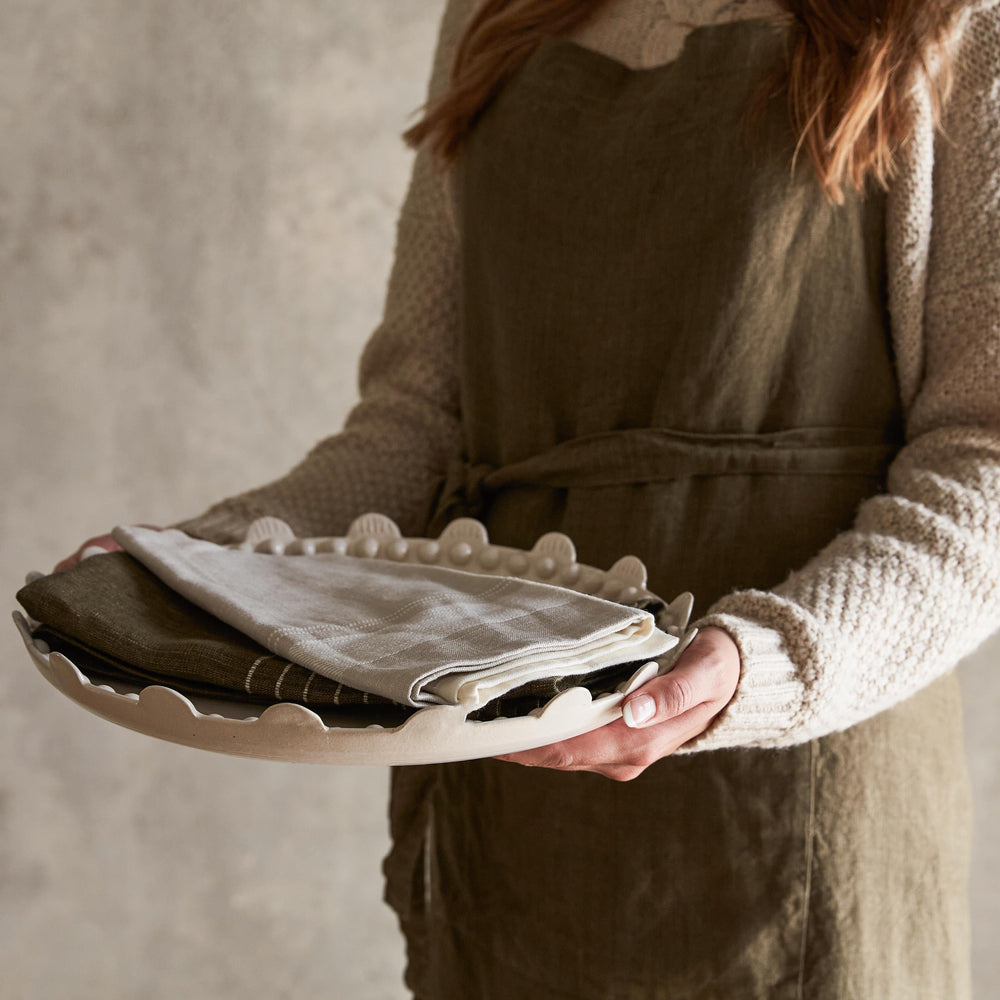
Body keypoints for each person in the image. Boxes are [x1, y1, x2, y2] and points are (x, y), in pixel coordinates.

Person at [60, 0, 1000, 995]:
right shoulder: (495, 14)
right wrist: (204, 564)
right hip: (509, 782)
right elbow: (418, 422)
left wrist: (761, 665)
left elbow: (982, 456)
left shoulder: (950, 19)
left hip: (801, 802)